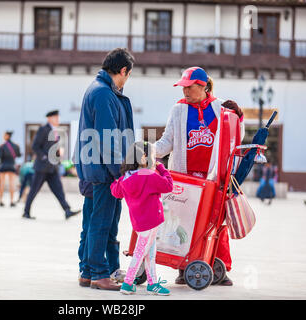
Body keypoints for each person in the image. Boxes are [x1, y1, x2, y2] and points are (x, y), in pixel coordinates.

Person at [154, 66, 245, 286]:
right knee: (183, 223)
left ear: (202, 86)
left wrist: (239, 118)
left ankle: (217, 266)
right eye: (183, 87)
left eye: (189, 87)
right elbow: (167, 142)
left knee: (214, 223)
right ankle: (184, 267)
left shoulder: (221, 108)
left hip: (213, 179)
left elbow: (236, 139)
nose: (184, 91)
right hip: (185, 178)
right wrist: (146, 152)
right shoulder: (178, 109)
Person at [74, 48, 135, 290]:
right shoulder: (104, 94)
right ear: (123, 70)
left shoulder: (99, 90)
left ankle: (88, 272)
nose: (126, 80)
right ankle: (100, 274)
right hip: (105, 171)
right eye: (128, 75)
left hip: (95, 168)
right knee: (103, 222)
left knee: (94, 221)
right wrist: (121, 171)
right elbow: (109, 138)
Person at [111, 141, 173, 296]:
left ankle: (152, 283)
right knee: (141, 252)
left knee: (149, 252)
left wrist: (117, 180)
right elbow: (168, 186)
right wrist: (161, 168)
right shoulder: (148, 174)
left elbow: (116, 192)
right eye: (152, 156)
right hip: (151, 220)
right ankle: (128, 283)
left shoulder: (126, 178)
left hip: (139, 222)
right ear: (144, 157)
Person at [23, 110, 80, 219]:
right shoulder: (43, 129)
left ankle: (67, 210)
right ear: (49, 118)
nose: (58, 120)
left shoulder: (55, 131)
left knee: (58, 189)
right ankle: (26, 212)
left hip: (52, 167)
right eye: (56, 118)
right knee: (34, 190)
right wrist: (44, 157)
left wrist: (58, 154)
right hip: (42, 167)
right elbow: (35, 146)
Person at [0, 131, 21, 207]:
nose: (3, 136)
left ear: (7, 136)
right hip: (12, 166)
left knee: (2, 183)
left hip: (3, 165)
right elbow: (19, 155)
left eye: (4, 135)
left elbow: (0, 156)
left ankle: (1, 201)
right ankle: (11, 201)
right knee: (12, 184)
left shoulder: (2, 146)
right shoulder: (16, 145)